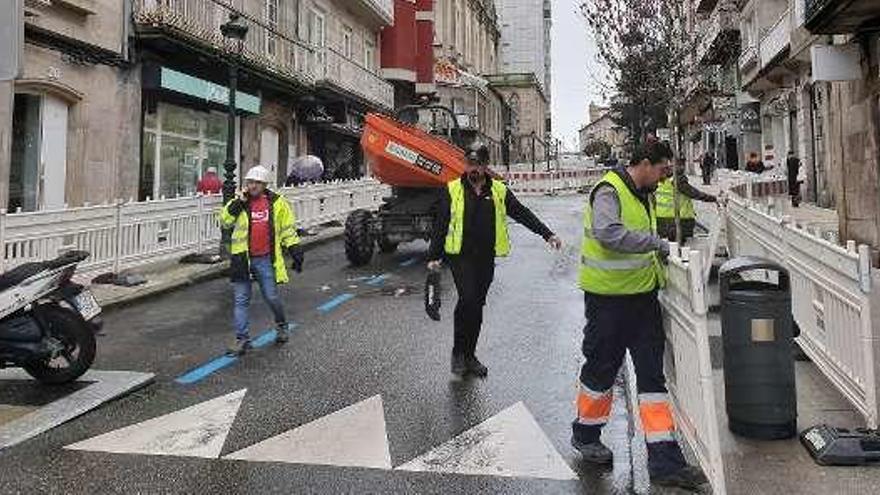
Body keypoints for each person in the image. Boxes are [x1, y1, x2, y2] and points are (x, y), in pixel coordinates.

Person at [572, 140, 708, 490]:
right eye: (663, 170)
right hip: (608, 303)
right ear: (645, 163)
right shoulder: (609, 190)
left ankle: (665, 463)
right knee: (601, 370)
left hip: (642, 300)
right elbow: (608, 234)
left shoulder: (642, 193)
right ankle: (586, 434)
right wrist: (657, 245)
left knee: (652, 378)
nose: (665, 179)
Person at [427, 142, 562, 378]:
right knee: (467, 299)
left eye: (478, 164)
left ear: (486, 166)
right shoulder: (452, 190)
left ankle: (470, 355)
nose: (473, 169)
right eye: (470, 163)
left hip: (485, 258)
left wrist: (546, 233)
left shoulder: (498, 191)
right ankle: (458, 354)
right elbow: (441, 224)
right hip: (460, 256)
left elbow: (521, 213)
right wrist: (434, 256)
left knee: (477, 305)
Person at [220, 165, 304, 356]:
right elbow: (224, 221)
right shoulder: (240, 202)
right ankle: (242, 340)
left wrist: (294, 248)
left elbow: (287, 229)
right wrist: (236, 204)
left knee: (271, 297)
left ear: (264, 184)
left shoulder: (277, 203)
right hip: (243, 260)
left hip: (265, 260)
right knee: (241, 300)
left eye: (257, 182)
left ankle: (282, 325)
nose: (252, 186)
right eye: (250, 182)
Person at [655, 158, 717, 242]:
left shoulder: (661, 178)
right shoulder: (677, 180)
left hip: (661, 219)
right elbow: (694, 193)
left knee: (668, 248)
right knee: (682, 249)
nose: (683, 168)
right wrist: (714, 198)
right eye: (680, 165)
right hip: (679, 221)